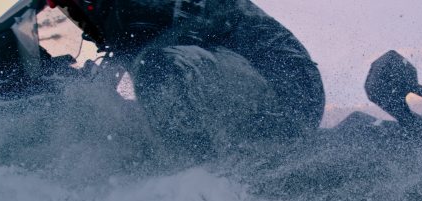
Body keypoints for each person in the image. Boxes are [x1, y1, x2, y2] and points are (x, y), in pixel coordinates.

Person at [45, 0, 325, 160]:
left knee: (160, 69)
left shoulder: (140, 10)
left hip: (286, 88)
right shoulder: (128, 21)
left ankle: (198, 181)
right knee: (142, 91)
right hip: (243, 80)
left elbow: (168, 55)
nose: (74, 17)